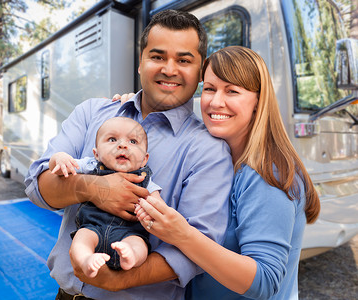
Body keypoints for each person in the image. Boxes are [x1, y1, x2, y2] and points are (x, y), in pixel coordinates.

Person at [24, 9, 233, 300]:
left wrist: (118, 281)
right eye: (157, 57)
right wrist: (94, 188)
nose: (169, 69)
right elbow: (37, 186)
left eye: (184, 60)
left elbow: (199, 248)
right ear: (140, 62)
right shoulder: (91, 113)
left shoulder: (209, 150)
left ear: (200, 71)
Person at [134, 46, 321, 300]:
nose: (215, 101)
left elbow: (265, 281)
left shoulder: (266, 174)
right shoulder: (219, 159)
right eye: (209, 88)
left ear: (258, 101)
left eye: (232, 91)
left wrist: (182, 235)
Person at [49, 117, 161, 278]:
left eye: (133, 142)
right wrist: (58, 158)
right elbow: (58, 169)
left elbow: (159, 207)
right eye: (112, 139)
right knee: (81, 240)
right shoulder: (90, 165)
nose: (122, 145)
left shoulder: (145, 180)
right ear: (97, 153)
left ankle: (131, 256)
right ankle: (86, 259)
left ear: (144, 159)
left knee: (139, 244)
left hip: (129, 233)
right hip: (93, 227)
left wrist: (152, 211)